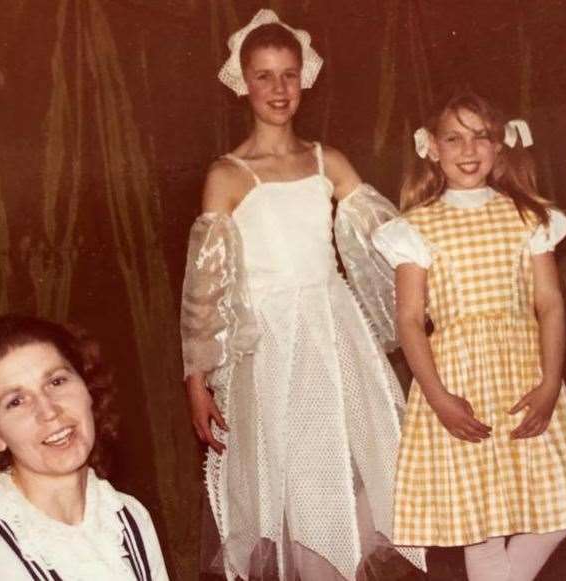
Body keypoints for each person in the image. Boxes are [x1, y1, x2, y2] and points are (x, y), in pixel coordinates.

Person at [180, 9, 425, 581]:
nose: (278, 88)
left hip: (333, 336)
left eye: (288, 74)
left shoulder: (326, 161)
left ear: (304, 77)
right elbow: (204, 290)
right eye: (263, 75)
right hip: (269, 348)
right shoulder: (228, 174)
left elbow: (384, 235)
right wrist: (197, 379)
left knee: (354, 472)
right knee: (293, 481)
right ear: (243, 82)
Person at [372, 89, 566, 581]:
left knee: (562, 503)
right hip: (458, 381)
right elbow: (409, 319)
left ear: (500, 146)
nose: (468, 150)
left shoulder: (528, 215)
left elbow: (550, 304)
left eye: (481, 138)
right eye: (454, 138)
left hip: (523, 377)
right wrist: (438, 397)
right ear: (432, 146)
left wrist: (551, 382)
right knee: (481, 523)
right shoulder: (417, 226)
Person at [0, 314, 169, 581]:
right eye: (16, 401)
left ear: (87, 387)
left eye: (56, 382)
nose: (49, 411)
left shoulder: (128, 517)